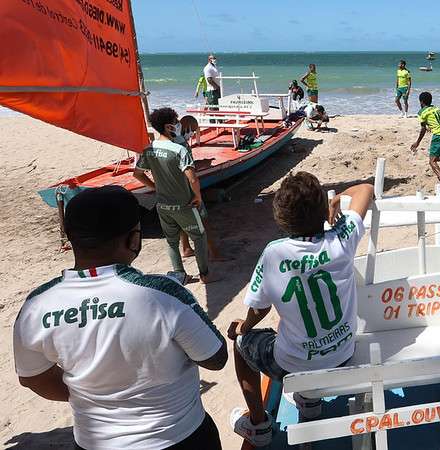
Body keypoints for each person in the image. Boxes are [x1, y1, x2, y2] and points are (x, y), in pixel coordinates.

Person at [13, 186, 227, 450]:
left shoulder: (35, 306)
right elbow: (216, 358)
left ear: (70, 238)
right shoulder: (163, 294)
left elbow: (33, 378)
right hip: (180, 438)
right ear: (133, 240)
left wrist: (90, 396)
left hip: (95, 443)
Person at [227, 173, 374, 447]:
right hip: (342, 355)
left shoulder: (274, 253)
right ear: (322, 211)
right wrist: (338, 198)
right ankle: (310, 404)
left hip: (293, 365)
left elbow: (258, 309)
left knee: (242, 345)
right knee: (309, 340)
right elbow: (366, 188)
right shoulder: (342, 239)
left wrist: (243, 328)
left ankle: (258, 425)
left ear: (281, 219)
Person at [133, 108, 217, 284]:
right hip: (184, 204)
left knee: (171, 241)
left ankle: (180, 274)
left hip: (163, 205)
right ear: (169, 126)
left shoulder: (148, 150)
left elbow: (138, 174)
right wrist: (198, 197)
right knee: (199, 237)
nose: (179, 124)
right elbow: (192, 178)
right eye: (176, 121)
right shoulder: (179, 150)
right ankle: (205, 274)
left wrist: (155, 187)